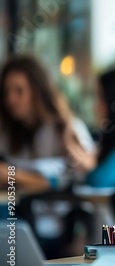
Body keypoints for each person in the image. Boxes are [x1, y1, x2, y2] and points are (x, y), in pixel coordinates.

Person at [0, 55, 95, 191]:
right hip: (19, 207)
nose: (10, 100)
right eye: (6, 92)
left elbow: (72, 175)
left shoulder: (65, 127)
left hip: (60, 208)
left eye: (19, 91)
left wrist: (11, 174)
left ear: (37, 90)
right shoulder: (8, 130)